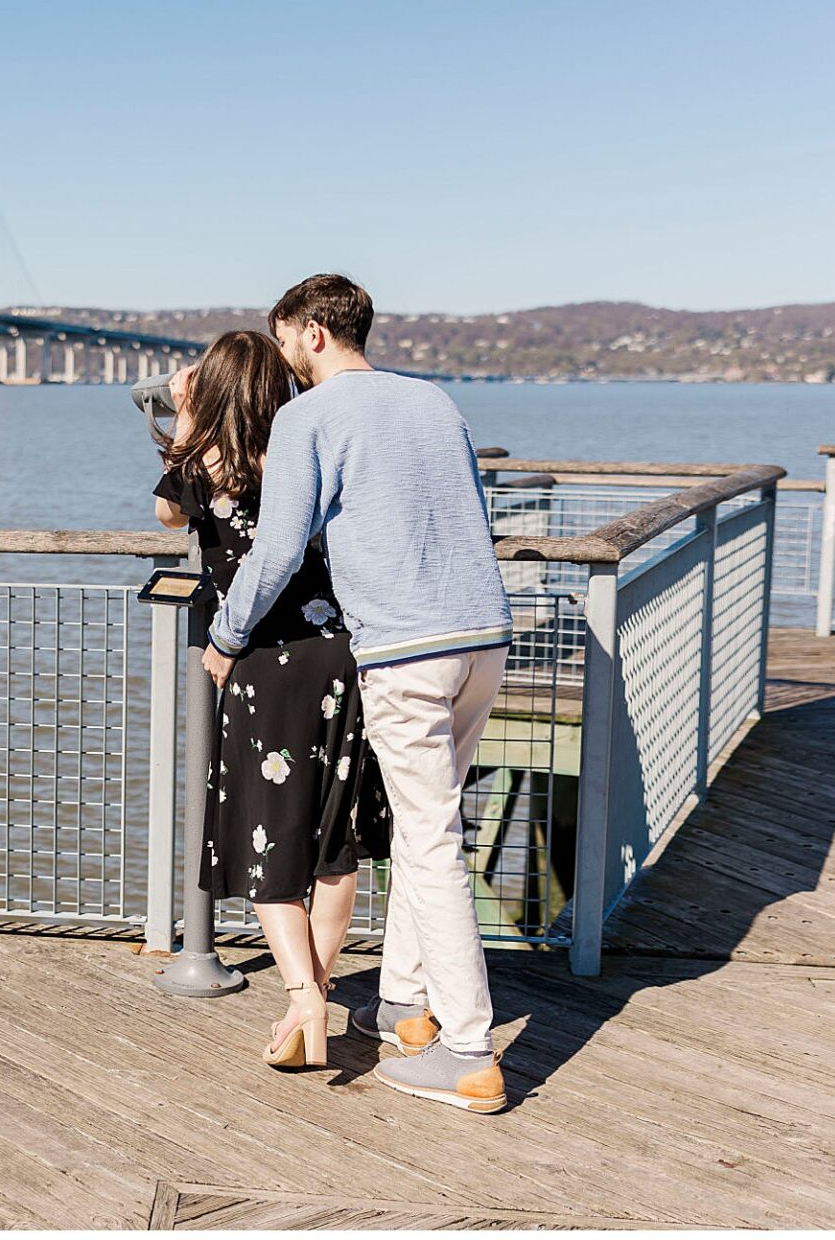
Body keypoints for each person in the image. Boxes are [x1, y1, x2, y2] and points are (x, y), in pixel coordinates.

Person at [202, 275, 515, 1114]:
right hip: (483, 638)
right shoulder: (435, 403)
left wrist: (226, 639)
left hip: (406, 651)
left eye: (283, 342)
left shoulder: (307, 417)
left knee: (433, 843)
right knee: (426, 832)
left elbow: (273, 552)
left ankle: (470, 1050)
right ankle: (406, 1010)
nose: (282, 361)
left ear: (310, 333)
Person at [153, 330, 391, 1071]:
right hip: (340, 659)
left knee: (265, 840)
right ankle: (307, 1000)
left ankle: (306, 996)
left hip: (260, 663)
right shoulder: (303, 457)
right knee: (332, 842)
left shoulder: (205, 467)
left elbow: (166, 516)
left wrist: (189, 414)